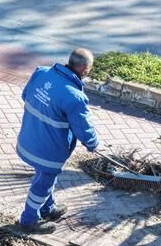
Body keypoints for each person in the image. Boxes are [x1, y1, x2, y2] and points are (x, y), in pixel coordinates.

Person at [15, 48, 103, 232]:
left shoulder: (41, 73)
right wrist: (93, 143)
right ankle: (29, 219)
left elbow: (26, 96)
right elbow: (83, 128)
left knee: (46, 177)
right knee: (43, 183)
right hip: (49, 149)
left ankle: (48, 209)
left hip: (29, 138)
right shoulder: (75, 97)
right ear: (85, 69)